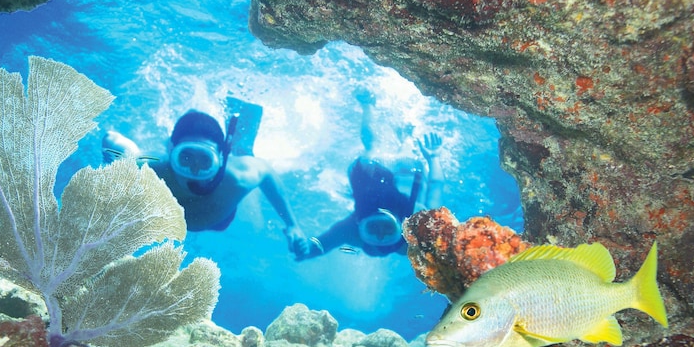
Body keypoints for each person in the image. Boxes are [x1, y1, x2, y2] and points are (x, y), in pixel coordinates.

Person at [103, 110, 308, 255]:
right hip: (209, 214)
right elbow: (114, 141)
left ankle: (238, 139)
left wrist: (292, 224)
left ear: (219, 160)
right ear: (170, 152)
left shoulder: (237, 178)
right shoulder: (151, 170)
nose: (193, 171)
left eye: (205, 161)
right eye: (185, 158)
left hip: (220, 220)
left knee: (243, 152)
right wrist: (110, 145)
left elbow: (266, 172)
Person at [295, 90, 444, 260]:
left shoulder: (350, 230)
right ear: (400, 225)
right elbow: (436, 186)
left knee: (371, 149)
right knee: (408, 164)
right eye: (386, 229)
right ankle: (404, 138)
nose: (380, 236)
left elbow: (320, 244)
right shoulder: (418, 224)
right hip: (395, 195)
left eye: (374, 228)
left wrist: (305, 250)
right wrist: (434, 158)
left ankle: (369, 105)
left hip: (369, 184)